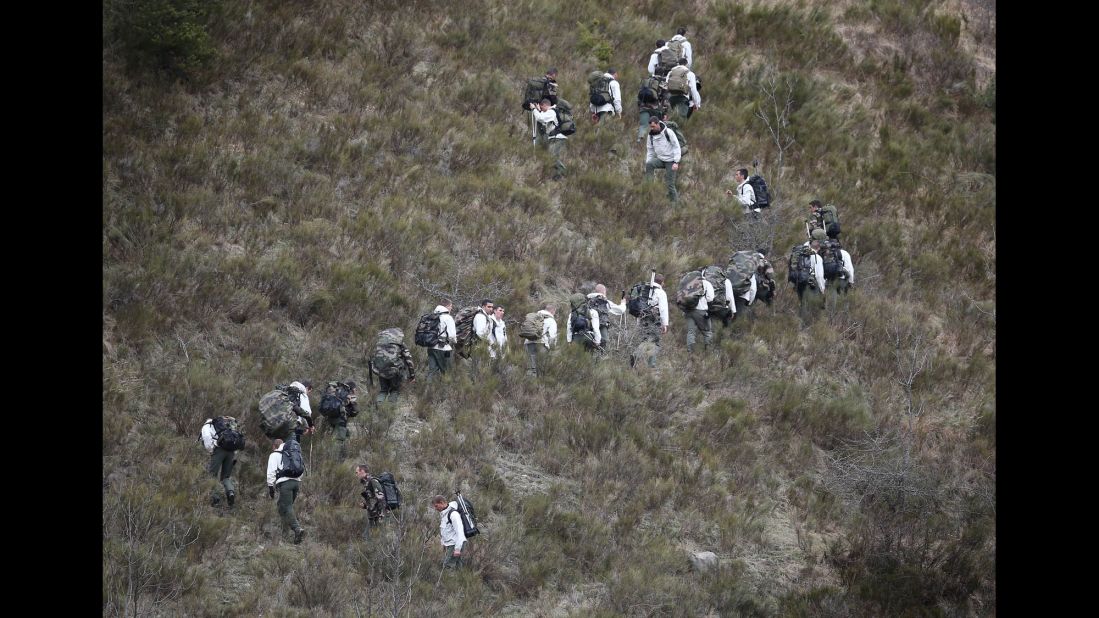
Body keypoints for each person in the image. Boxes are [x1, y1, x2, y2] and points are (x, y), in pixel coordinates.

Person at [267, 438, 306, 544]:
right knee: (282, 508)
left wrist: (271, 487)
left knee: (287, 507)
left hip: (285, 484)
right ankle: (284, 535)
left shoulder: (274, 455)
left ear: (274, 446)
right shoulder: (292, 453)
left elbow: (271, 472)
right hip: (296, 483)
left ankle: (297, 529)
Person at [682, 271, 731, 354]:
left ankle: (690, 352)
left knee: (691, 332)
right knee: (707, 332)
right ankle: (708, 352)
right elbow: (710, 298)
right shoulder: (706, 283)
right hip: (701, 310)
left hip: (688, 310)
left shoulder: (689, 283)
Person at [200, 416, 238, 508]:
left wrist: (212, 450)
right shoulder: (225, 425)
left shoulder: (206, 426)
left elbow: (207, 438)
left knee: (212, 475)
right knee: (226, 477)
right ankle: (230, 493)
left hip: (218, 450)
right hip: (231, 452)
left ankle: (215, 499)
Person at [632, 274, 669, 369]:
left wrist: (638, 322)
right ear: (662, 282)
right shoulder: (661, 292)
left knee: (646, 339)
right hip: (654, 319)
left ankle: (638, 358)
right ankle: (646, 361)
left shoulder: (645, 290)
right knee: (655, 341)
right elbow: (663, 309)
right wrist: (665, 324)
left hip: (642, 318)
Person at [370, 331, 416, 404]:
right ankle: (391, 407)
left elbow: (372, 357)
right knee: (395, 390)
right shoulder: (400, 344)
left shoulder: (379, 343)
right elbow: (409, 360)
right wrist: (412, 376)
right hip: (394, 372)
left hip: (381, 371)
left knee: (383, 390)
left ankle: (379, 406)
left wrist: (375, 369)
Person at [644, 116, 682, 203]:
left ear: (658, 124)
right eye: (651, 127)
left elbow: (676, 147)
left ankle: (675, 205)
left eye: (653, 126)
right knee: (649, 164)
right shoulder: (650, 136)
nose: (652, 128)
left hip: (671, 161)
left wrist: (676, 162)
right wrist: (648, 161)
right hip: (661, 159)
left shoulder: (668, 132)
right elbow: (650, 150)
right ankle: (649, 187)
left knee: (670, 184)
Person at [533, 98, 568, 180]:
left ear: (545, 105)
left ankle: (564, 171)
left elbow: (540, 118)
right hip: (556, 137)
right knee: (554, 157)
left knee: (551, 157)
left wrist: (534, 109)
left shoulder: (551, 112)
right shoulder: (552, 112)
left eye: (541, 107)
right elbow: (544, 121)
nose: (541, 109)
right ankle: (558, 176)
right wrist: (539, 110)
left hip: (557, 138)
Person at [323, 380, 358, 460]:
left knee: (345, 437)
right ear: (352, 388)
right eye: (355, 389)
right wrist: (353, 403)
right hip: (340, 422)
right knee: (338, 441)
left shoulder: (337, 394)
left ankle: (340, 458)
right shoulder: (347, 396)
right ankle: (334, 460)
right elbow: (355, 412)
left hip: (331, 419)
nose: (356, 391)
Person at [795, 239, 827, 324]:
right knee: (811, 306)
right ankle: (807, 325)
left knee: (803, 303)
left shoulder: (801, 255)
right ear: (819, 247)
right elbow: (819, 275)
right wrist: (822, 288)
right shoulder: (817, 257)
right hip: (811, 284)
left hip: (799, 282)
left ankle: (800, 324)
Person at [587, 284, 627, 351]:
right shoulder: (605, 302)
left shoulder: (588, 300)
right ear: (603, 292)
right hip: (601, 326)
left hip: (588, 325)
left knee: (589, 342)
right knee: (603, 344)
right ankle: (599, 358)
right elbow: (620, 310)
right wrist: (623, 303)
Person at [432, 495, 467, 569]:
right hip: (451, 545)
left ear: (441, 503)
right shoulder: (444, 514)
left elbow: (460, 531)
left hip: (455, 544)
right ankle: (460, 580)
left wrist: (457, 549)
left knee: (447, 566)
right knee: (458, 567)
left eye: (436, 506)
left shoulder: (454, 514)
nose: (435, 508)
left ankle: (446, 580)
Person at [426, 300, 457, 382]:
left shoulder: (432, 316)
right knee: (447, 372)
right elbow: (452, 336)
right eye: (451, 306)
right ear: (446, 306)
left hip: (431, 347)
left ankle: (426, 390)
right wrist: (455, 342)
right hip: (443, 348)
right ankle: (446, 392)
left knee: (432, 371)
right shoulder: (448, 317)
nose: (451, 308)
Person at [525, 302, 558, 376]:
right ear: (552, 311)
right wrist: (551, 348)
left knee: (531, 367)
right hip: (541, 343)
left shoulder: (534, 317)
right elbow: (552, 336)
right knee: (541, 367)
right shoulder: (551, 320)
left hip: (528, 342)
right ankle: (539, 385)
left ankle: (529, 384)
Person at [356, 464, 385, 539]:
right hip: (373, 515)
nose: (356, 475)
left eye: (357, 472)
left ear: (362, 471)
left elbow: (381, 497)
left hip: (378, 516)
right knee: (369, 537)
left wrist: (380, 514)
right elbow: (373, 499)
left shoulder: (373, 481)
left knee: (376, 538)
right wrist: (365, 505)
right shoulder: (366, 483)